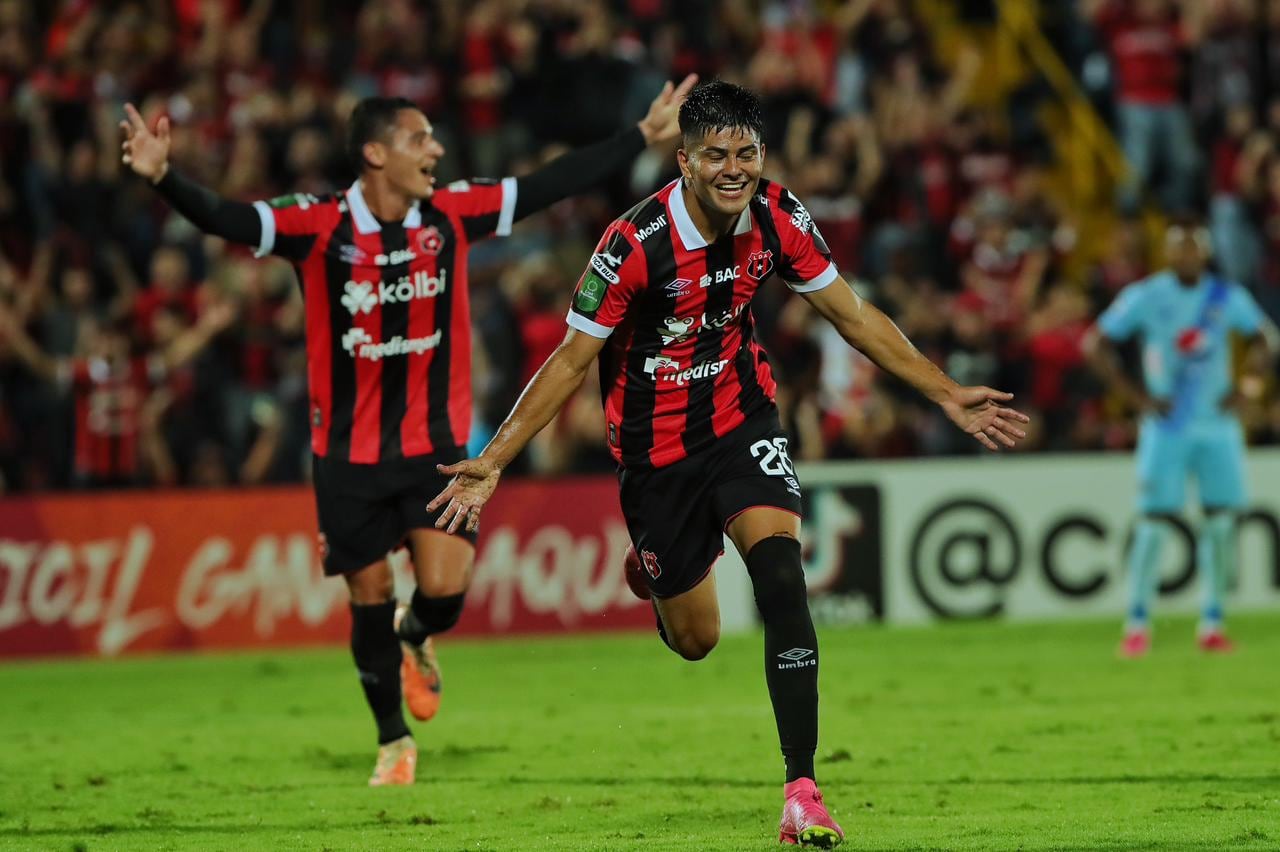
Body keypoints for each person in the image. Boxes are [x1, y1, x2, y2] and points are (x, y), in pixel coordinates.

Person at [427, 80, 1030, 848]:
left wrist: (944, 393)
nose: (733, 169)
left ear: (762, 156)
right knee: (696, 640)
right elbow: (573, 359)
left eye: (746, 153)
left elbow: (849, 313)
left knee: (782, 577)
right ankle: (655, 572)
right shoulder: (633, 242)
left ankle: (802, 789)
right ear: (683, 160)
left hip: (744, 420)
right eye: (715, 155)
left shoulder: (780, 215)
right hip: (655, 457)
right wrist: (494, 460)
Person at [118, 75, 697, 786]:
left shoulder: (450, 214)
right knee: (365, 594)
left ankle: (415, 633)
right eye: (420, 139)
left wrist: (640, 136)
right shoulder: (319, 225)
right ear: (374, 153)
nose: (437, 149)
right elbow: (228, 220)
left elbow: (549, 184)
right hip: (348, 457)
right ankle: (393, 741)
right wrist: (164, 178)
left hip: (435, 448)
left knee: (446, 592)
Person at [1084, 218, 1278, 658]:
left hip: (1217, 427)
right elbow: (1095, 343)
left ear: (1205, 252)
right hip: (1166, 428)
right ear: (1167, 253)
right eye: (1178, 248)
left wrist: (1248, 384)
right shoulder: (1147, 296)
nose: (1186, 256)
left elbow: (1265, 338)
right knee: (1152, 524)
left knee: (1221, 522)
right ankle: (1137, 623)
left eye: (1193, 248)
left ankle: (1212, 621)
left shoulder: (1226, 297)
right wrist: (1136, 398)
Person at [0, 302, 235, 489]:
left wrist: (208, 328)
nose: (109, 345)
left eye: (113, 339)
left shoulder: (137, 370)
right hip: (90, 473)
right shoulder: (84, 374)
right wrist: (12, 331)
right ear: (95, 344)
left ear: (124, 343)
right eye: (103, 340)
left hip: (129, 471)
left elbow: (175, 357)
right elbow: (43, 366)